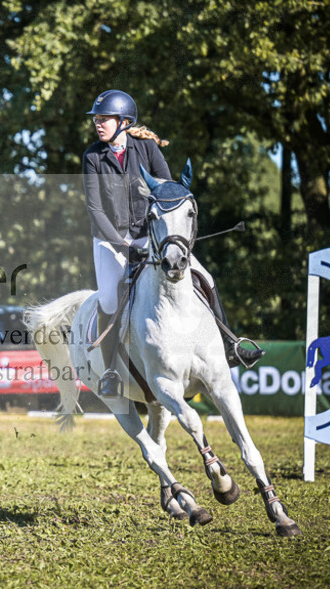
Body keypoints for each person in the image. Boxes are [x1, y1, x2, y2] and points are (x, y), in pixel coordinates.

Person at [81, 89, 263, 397]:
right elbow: (96, 210)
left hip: (152, 234)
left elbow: (169, 191)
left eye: (105, 119)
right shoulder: (92, 157)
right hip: (111, 239)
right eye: (97, 119)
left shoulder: (147, 149)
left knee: (206, 277)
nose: (98, 124)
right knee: (110, 300)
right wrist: (123, 245)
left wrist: (165, 236)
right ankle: (111, 368)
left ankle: (232, 347)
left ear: (124, 121)